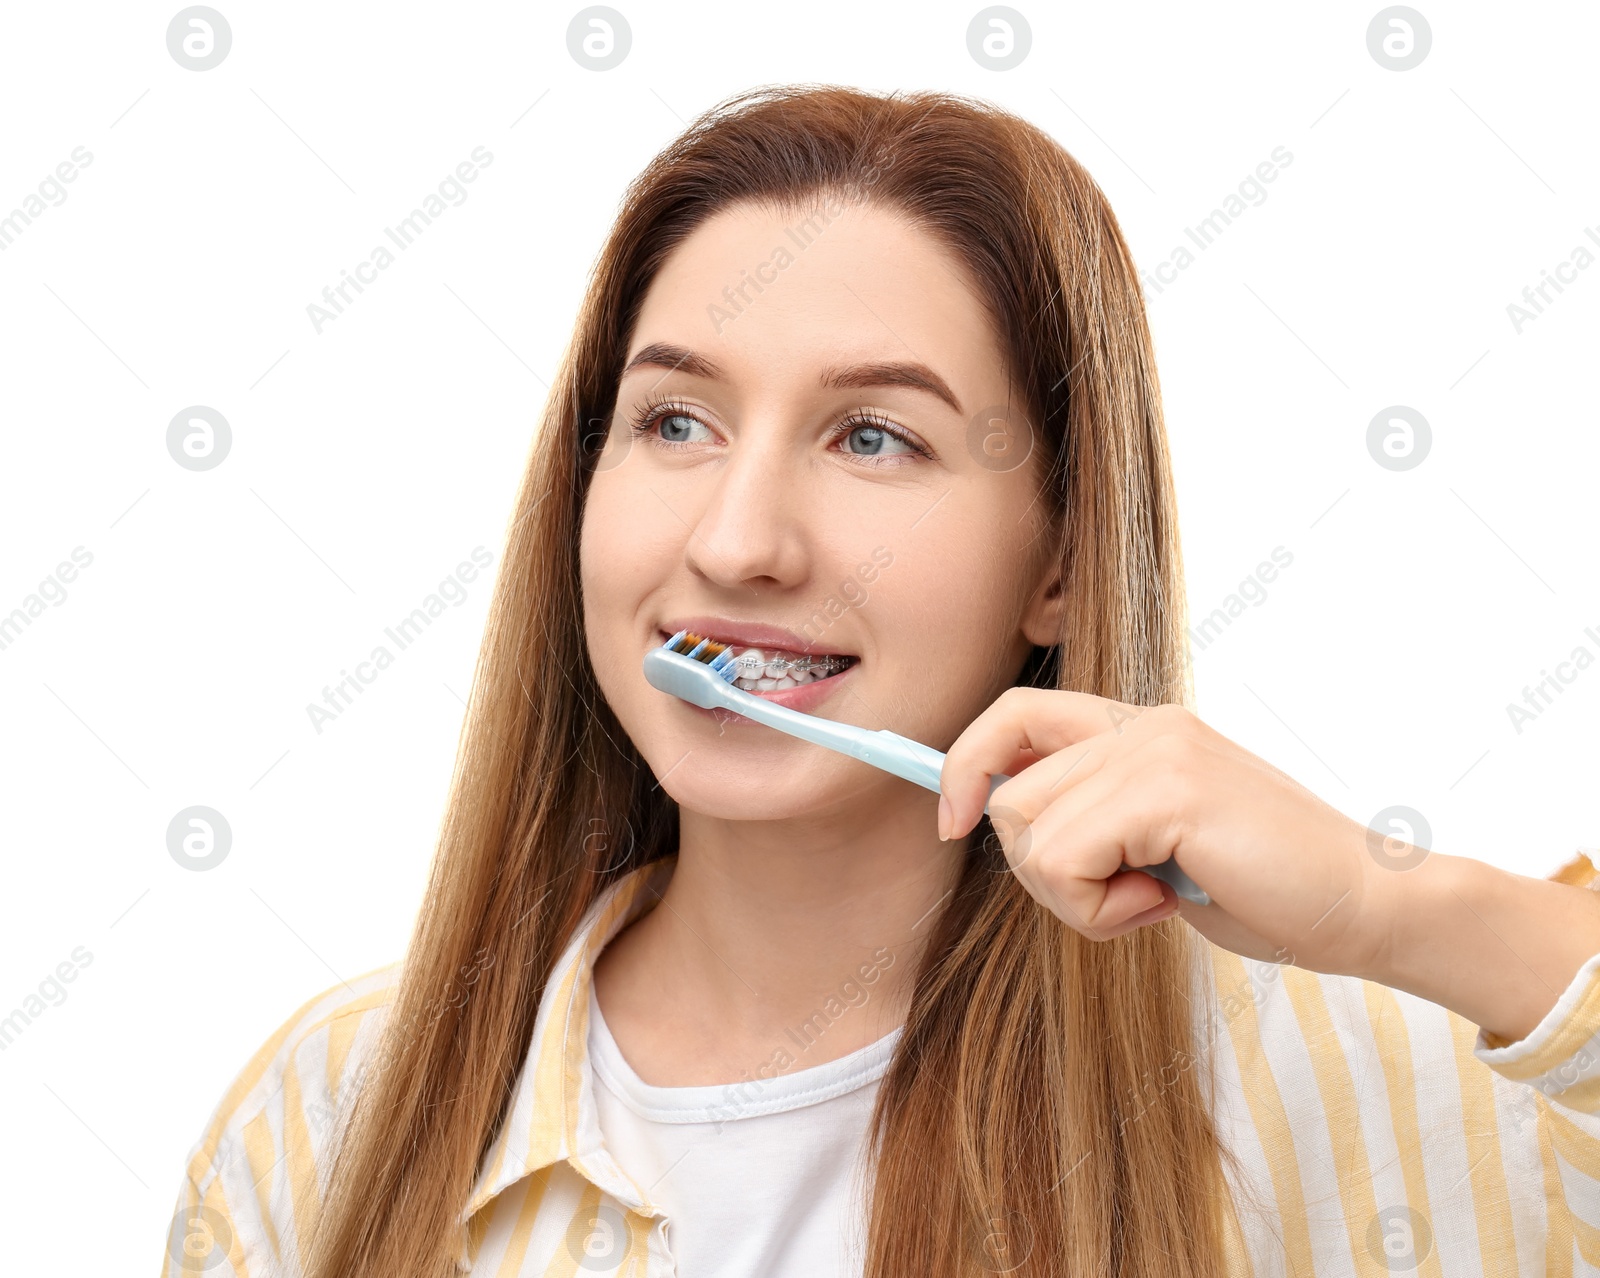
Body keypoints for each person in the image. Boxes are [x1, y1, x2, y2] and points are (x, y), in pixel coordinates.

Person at [159, 84, 1600, 1278]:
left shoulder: (1345, 1078)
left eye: (874, 440)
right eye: (675, 420)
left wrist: (1390, 903)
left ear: (1064, 563)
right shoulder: (329, 1115)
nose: (737, 540)